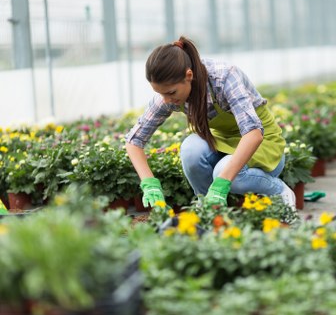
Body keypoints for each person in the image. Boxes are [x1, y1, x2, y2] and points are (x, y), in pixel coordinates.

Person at [125, 35, 295, 209]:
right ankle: (209, 207)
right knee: (191, 149)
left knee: (224, 171)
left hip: (263, 146)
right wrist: (149, 183)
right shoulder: (171, 94)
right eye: (161, 94)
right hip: (224, 145)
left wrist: (222, 182)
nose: (166, 100)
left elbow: (254, 134)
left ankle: (278, 190)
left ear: (188, 75)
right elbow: (134, 141)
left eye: (171, 93)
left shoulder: (224, 77)